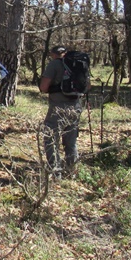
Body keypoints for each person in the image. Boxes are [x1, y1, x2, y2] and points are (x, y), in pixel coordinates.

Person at [39, 45, 88, 177]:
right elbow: (87, 86)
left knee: (50, 137)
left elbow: (43, 87)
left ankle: (55, 172)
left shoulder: (54, 64)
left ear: (53, 54)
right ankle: (71, 171)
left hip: (58, 107)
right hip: (76, 106)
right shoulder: (79, 64)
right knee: (71, 141)